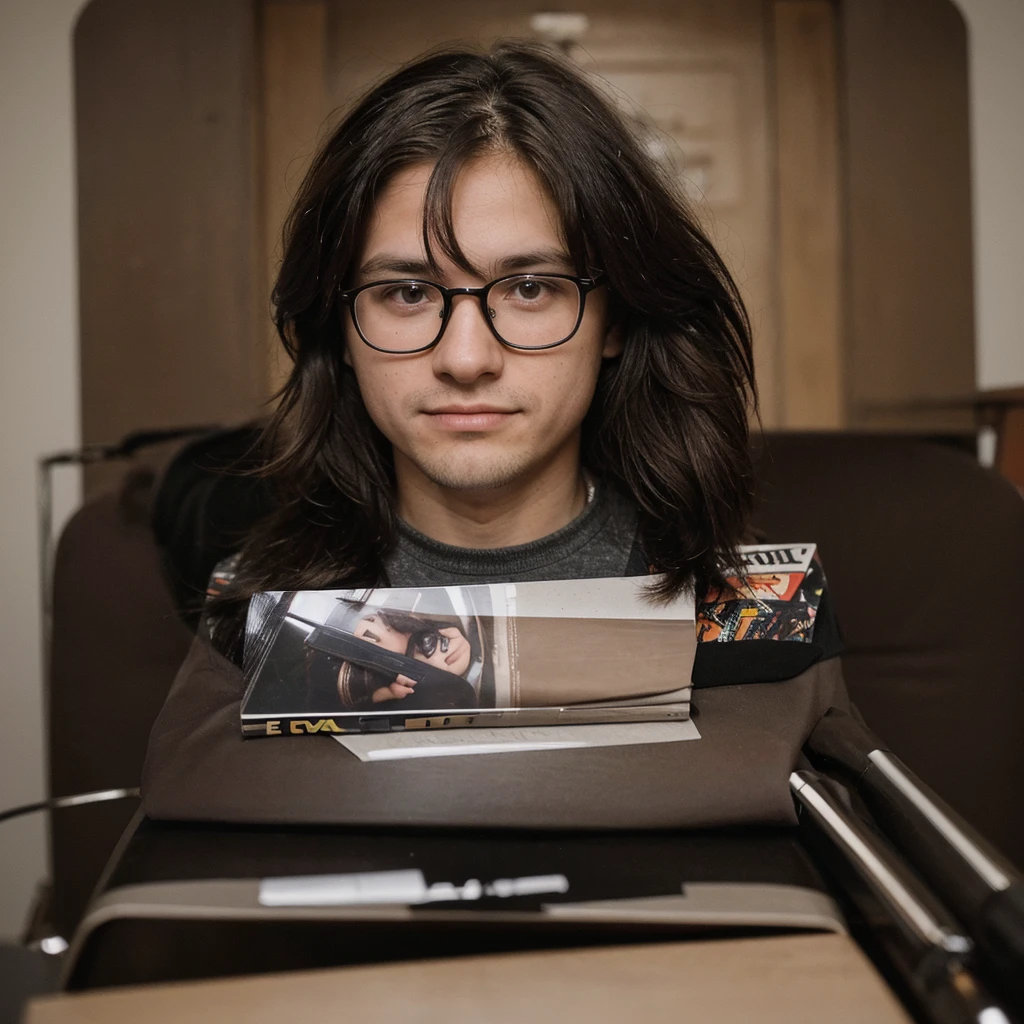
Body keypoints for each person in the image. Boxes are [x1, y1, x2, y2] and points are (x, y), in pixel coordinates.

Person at [141, 41, 846, 825]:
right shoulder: (255, 612)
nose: (465, 358)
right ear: (339, 326)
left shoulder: (760, 617)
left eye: (531, 288)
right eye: (407, 291)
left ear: (614, 318)